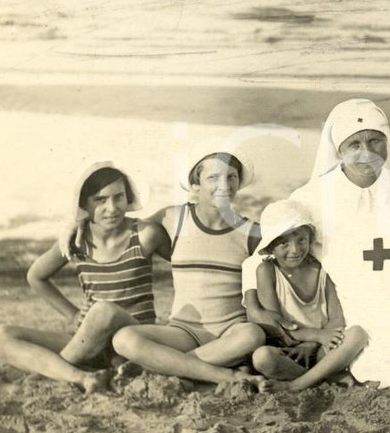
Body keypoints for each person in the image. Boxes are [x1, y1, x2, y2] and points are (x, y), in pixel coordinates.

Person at [281, 99, 390, 388]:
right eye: (355, 144)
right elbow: (282, 260)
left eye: (376, 141)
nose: (367, 152)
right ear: (339, 150)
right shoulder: (309, 198)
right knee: (381, 360)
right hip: (346, 303)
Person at [0, 162, 170, 393]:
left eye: (119, 197)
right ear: (84, 205)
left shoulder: (145, 235)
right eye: (100, 200)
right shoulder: (76, 241)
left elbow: (187, 264)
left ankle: (42, 377)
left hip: (131, 342)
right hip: (86, 342)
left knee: (104, 311)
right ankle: (81, 377)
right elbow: (36, 276)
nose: (112, 208)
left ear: (129, 198)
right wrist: (72, 314)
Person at [108, 148, 269, 389]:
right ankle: (225, 375)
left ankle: (166, 367)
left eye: (231, 177)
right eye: (213, 177)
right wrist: (73, 224)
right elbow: (121, 228)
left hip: (229, 333)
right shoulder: (175, 218)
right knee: (124, 339)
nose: (224, 185)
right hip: (183, 331)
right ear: (195, 185)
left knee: (253, 335)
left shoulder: (251, 232)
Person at [242, 199, 367, 391]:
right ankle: (324, 380)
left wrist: (313, 343)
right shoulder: (266, 271)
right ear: (270, 247)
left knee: (357, 334)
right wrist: (314, 336)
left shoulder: (322, 269)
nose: (295, 250)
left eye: (301, 240)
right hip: (289, 349)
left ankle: (298, 383)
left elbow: (336, 319)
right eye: (284, 243)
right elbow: (277, 326)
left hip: (321, 347)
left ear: (309, 238)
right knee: (262, 357)